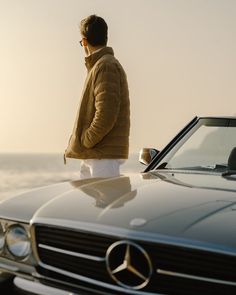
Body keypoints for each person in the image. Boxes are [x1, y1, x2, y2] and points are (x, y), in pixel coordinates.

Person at [64, 15, 130, 179]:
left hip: (102, 155)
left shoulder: (105, 65)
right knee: (87, 203)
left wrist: (86, 140)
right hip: (97, 153)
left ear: (84, 41)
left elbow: (106, 114)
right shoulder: (101, 65)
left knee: (104, 202)